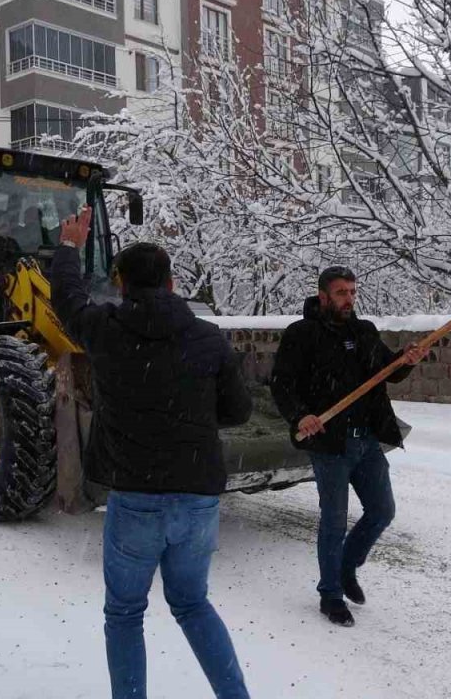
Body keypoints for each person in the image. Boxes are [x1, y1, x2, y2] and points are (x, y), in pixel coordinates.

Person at [51, 206, 253, 699]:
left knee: (124, 613)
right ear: (172, 283)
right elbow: (238, 410)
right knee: (193, 604)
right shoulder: (208, 337)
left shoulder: (105, 329)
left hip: (135, 497)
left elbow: (68, 301)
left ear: (120, 285)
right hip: (197, 498)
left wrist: (69, 248)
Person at [270, 266, 429, 627]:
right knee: (334, 521)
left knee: (382, 510)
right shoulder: (302, 334)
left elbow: (387, 370)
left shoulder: (364, 331)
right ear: (323, 296)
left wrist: (405, 360)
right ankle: (330, 595)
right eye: (341, 292)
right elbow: (281, 383)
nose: (349, 299)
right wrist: (300, 416)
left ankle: (346, 566)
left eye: (353, 292)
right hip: (330, 442)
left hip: (367, 438)